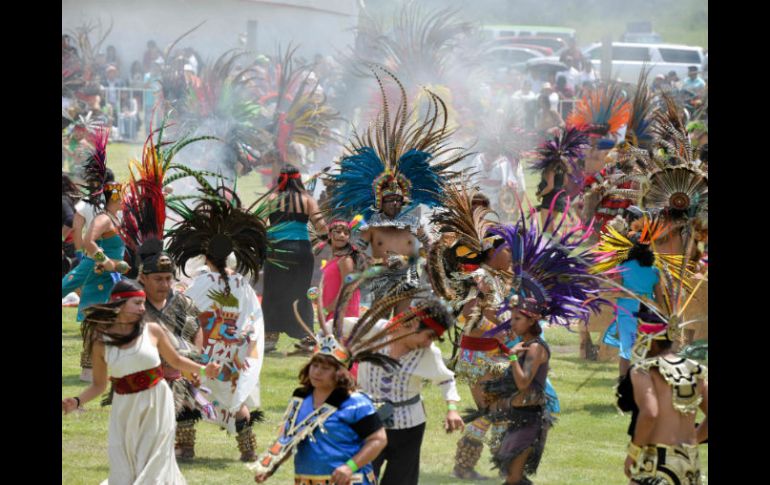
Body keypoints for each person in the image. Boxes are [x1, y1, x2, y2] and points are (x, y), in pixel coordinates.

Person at [475, 208, 606, 485]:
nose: (513, 322)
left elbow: (523, 384)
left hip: (530, 420)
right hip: (516, 415)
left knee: (512, 478)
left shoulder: (535, 348)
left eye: (518, 318)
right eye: (512, 317)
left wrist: (510, 355)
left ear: (532, 320)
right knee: (513, 477)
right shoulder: (523, 342)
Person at [324, 69, 465, 317]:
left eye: (398, 199)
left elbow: (429, 245)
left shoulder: (413, 220)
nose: (394, 203)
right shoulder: (373, 221)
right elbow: (356, 247)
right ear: (380, 200)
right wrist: (366, 262)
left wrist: (435, 256)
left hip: (409, 276)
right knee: (379, 321)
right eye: (389, 200)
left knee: (400, 321)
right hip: (381, 279)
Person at [252, 273, 410, 485]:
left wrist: (349, 466)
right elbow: (288, 438)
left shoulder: (356, 403)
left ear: (340, 373)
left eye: (325, 368)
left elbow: (378, 440)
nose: (317, 372)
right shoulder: (301, 399)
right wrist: (269, 466)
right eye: (315, 365)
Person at [62, 280, 221, 485]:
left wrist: (203, 369)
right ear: (119, 304)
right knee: (125, 463)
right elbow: (99, 385)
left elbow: (176, 360)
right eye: (137, 303)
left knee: (155, 460)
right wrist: (76, 401)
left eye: (143, 303)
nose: (142, 308)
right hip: (125, 407)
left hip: (157, 401)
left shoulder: (152, 331)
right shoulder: (101, 341)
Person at [166, 183, 269, 462]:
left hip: (206, 348)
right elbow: (252, 316)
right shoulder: (242, 283)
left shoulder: (203, 280)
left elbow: (183, 305)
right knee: (235, 399)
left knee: (189, 393)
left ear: (207, 255)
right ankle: (248, 449)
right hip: (233, 351)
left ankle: (186, 448)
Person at [356, 298, 465, 485]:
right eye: (428, 336)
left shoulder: (429, 354)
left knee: (400, 480)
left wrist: (452, 409)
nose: (428, 343)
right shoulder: (374, 330)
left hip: (408, 428)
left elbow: (446, 379)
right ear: (414, 324)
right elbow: (337, 329)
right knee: (361, 477)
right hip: (368, 421)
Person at [615, 308, 708, 484]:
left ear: (651, 341)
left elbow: (650, 413)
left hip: (656, 462)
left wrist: (633, 452)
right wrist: (694, 439)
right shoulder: (696, 369)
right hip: (690, 464)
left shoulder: (643, 371)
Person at [262, 164, 327, 353]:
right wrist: (325, 237)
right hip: (301, 251)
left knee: (273, 292)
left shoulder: (272, 198)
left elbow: (258, 224)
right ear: (298, 180)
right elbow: (321, 226)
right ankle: (306, 336)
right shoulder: (307, 199)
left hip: (276, 251)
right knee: (301, 292)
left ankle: (270, 336)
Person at [531, 127, 588, 231]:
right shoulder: (563, 166)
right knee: (551, 230)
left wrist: (540, 194)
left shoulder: (550, 167)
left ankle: (560, 246)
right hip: (559, 199)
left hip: (549, 199)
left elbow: (550, 186)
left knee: (546, 231)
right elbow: (565, 182)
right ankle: (558, 245)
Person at [320, 218, 365, 321]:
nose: (342, 235)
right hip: (332, 312)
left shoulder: (345, 260)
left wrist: (327, 309)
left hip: (342, 315)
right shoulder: (333, 259)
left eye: (346, 233)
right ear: (329, 235)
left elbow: (348, 290)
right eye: (338, 232)